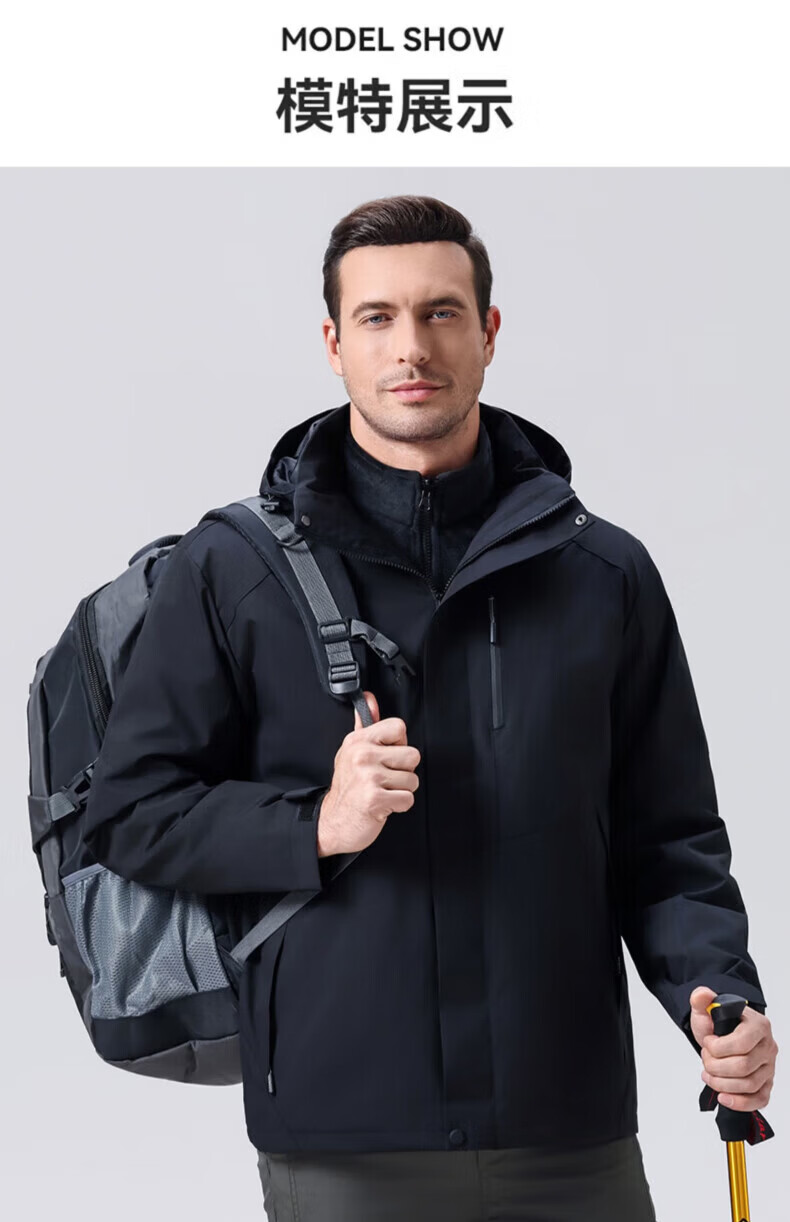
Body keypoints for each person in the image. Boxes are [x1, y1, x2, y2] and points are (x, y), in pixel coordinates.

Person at [83, 195, 777, 1221]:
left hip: (568, 1129)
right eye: (377, 317)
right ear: (334, 344)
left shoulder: (602, 572)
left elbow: (668, 839)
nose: (411, 345)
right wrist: (315, 824)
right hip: (345, 1135)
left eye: (441, 312)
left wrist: (720, 994)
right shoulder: (232, 570)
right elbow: (131, 812)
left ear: (488, 331)